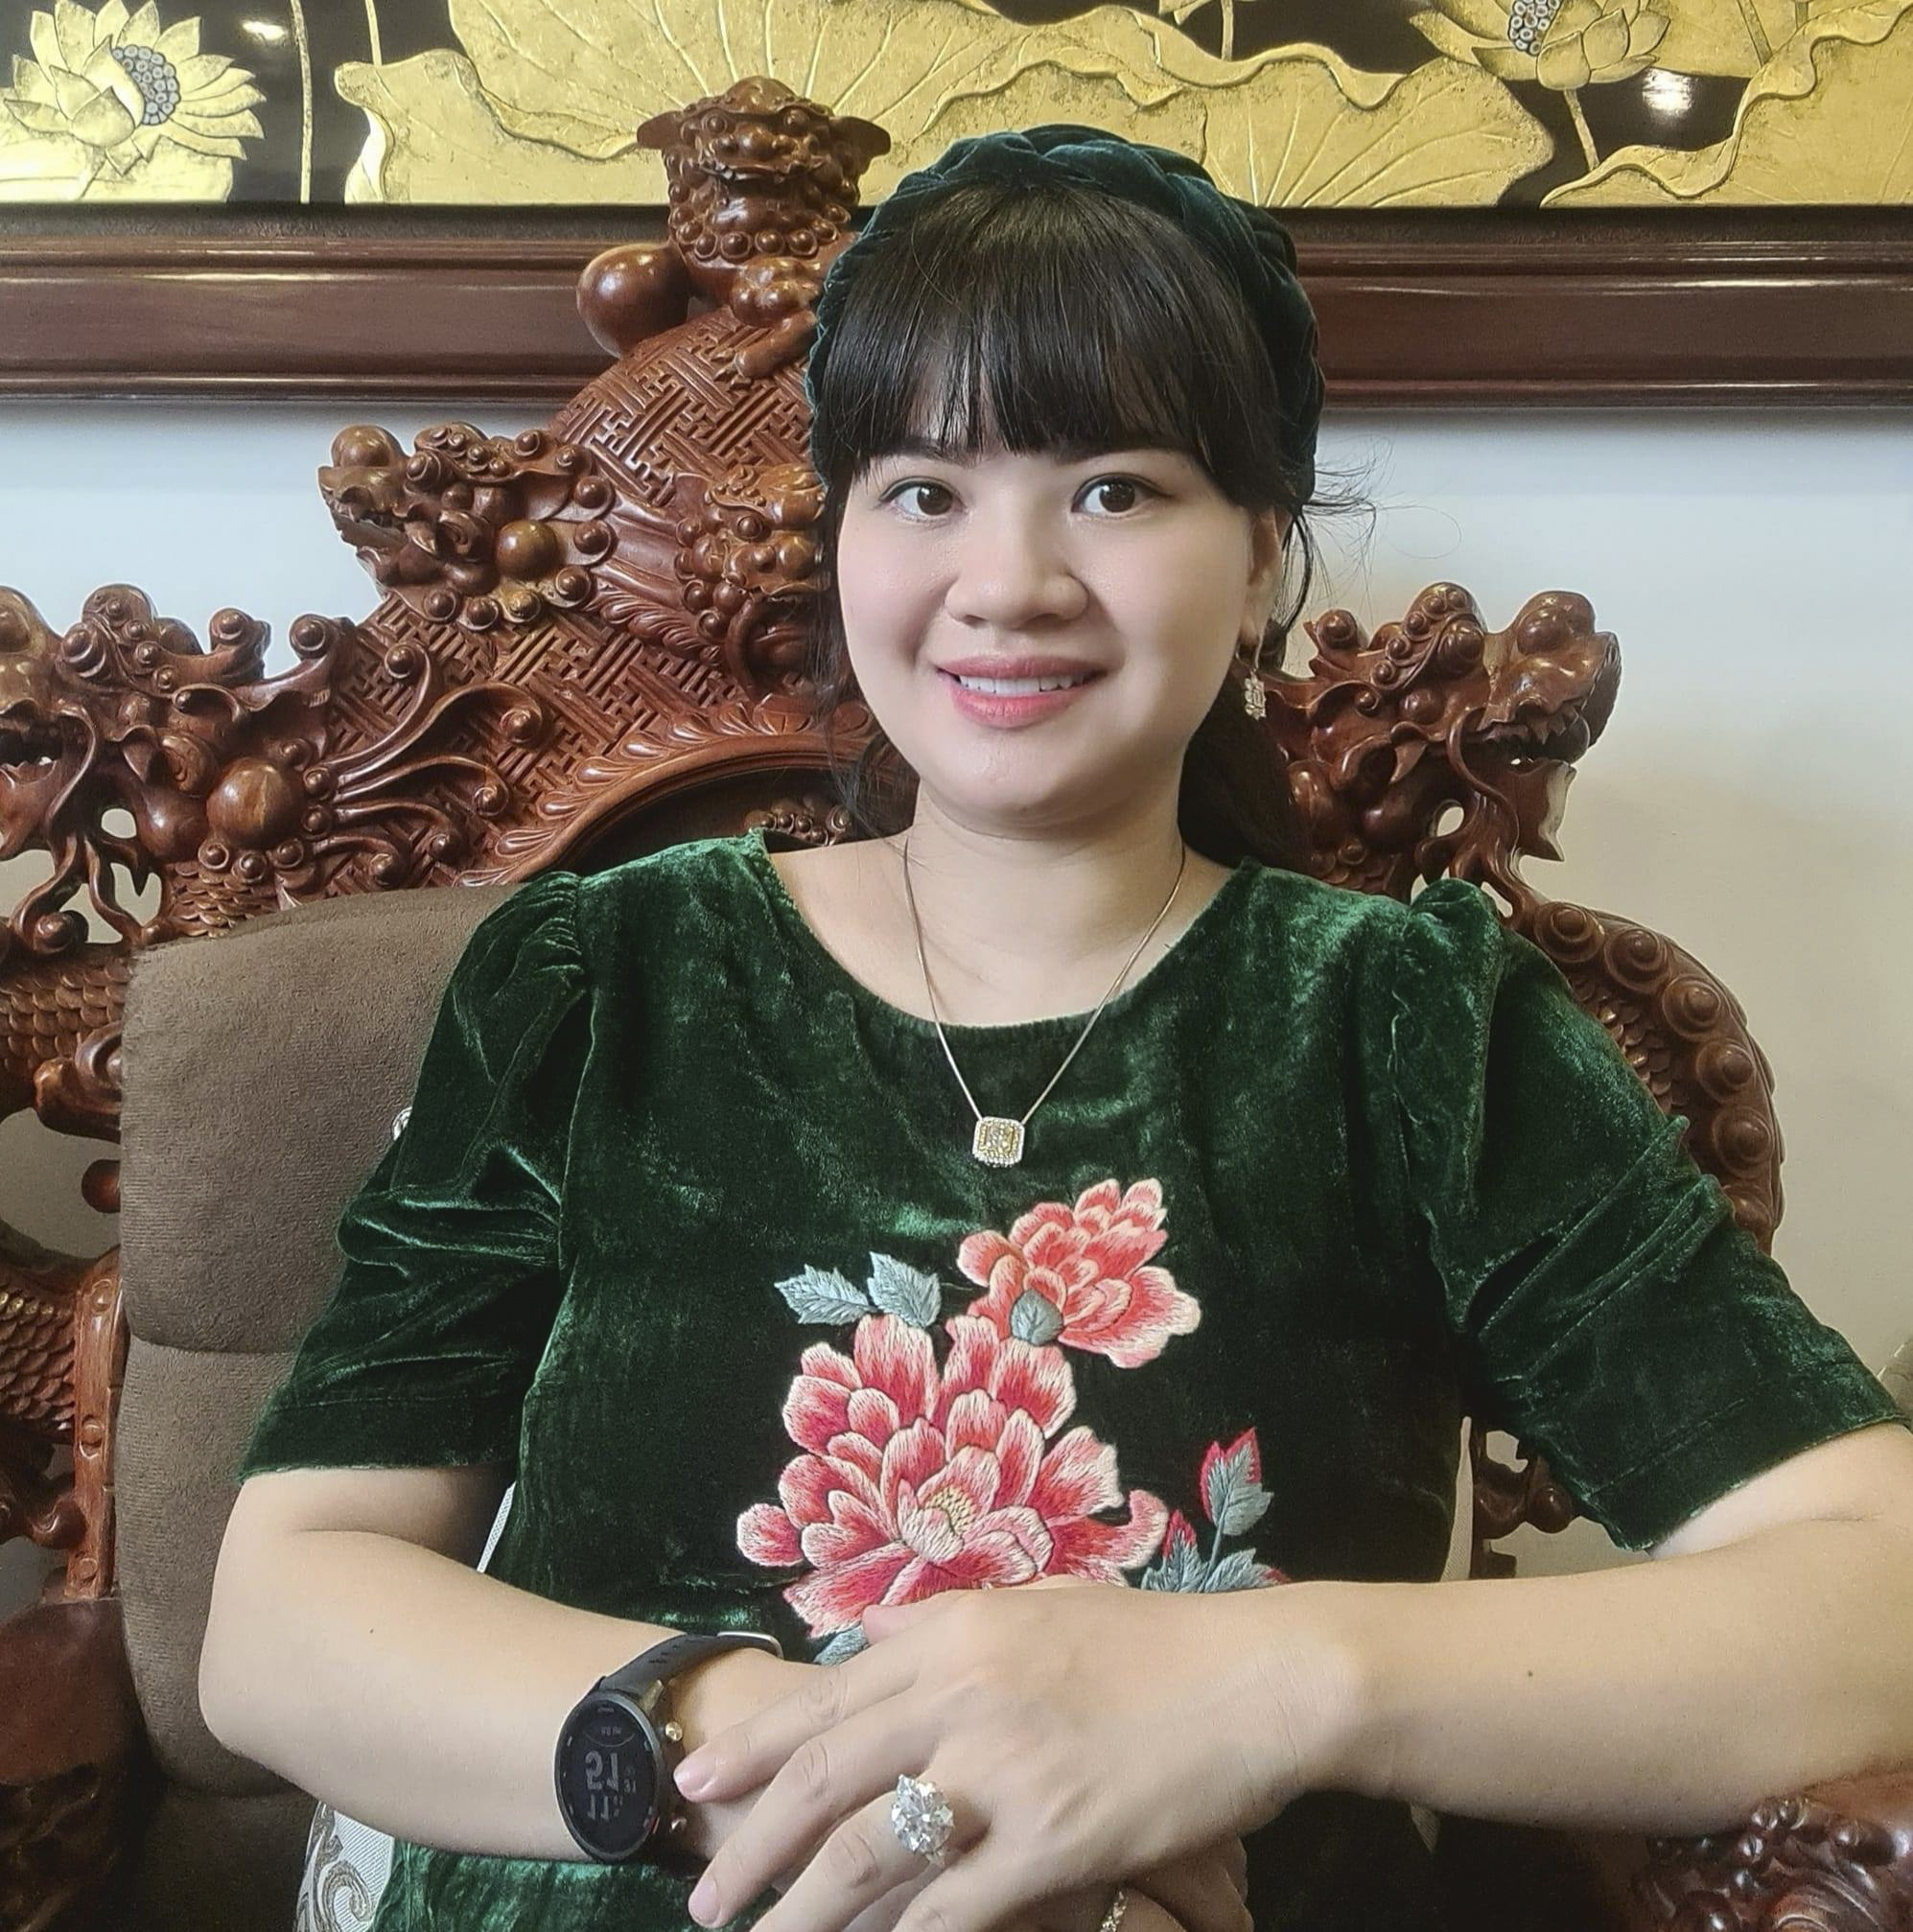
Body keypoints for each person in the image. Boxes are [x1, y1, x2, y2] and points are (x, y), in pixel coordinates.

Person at [198, 125, 1913, 1932]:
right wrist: (844, 1769)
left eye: (1114, 488)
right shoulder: (600, 977)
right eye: (922, 491)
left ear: (1261, 560)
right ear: (840, 541)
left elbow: (1872, 1586)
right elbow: (287, 1609)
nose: (1007, 580)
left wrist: (1246, 1691)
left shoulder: (1410, 1024)